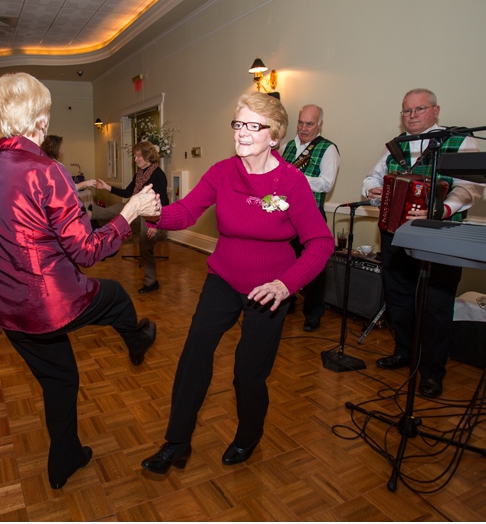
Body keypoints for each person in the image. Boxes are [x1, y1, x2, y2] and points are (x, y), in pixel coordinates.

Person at [0, 72, 159, 489]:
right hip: (53, 304)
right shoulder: (47, 170)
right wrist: (129, 215)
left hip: (8, 309)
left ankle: (65, 459)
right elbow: (87, 252)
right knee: (117, 295)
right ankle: (137, 340)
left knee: (60, 378)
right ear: (40, 121)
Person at [141, 91, 333, 474]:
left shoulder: (291, 183)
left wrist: (285, 285)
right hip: (223, 279)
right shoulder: (222, 173)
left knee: (248, 373)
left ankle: (248, 435)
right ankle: (176, 442)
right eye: (238, 124)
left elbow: (321, 243)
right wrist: (154, 212)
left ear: (275, 135)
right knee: (194, 355)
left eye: (253, 126)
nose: (242, 133)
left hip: (268, 291)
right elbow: (186, 211)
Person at [362, 88, 483, 398]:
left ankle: (432, 371)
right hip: (395, 234)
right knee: (399, 297)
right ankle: (405, 352)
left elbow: (471, 187)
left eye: (419, 109)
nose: (411, 116)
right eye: (406, 111)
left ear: (436, 110)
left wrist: (442, 208)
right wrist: (374, 192)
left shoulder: (460, 141)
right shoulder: (395, 146)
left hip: (440, 235)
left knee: (436, 305)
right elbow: (372, 179)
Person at [281, 104, 340, 332]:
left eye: (310, 124)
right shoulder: (286, 146)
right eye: (301, 122)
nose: (304, 128)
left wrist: (297, 178)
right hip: (285, 217)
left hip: (310, 216)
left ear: (320, 125)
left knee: (314, 267)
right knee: (284, 261)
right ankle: (288, 301)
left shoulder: (328, 149)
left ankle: (313, 312)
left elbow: (326, 183)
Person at [95, 141, 169, 293]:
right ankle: (84, 213)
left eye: (138, 156)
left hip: (151, 216)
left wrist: (156, 226)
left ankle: (151, 282)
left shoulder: (159, 175)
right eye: (135, 156)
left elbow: (163, 203)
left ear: (148, 156)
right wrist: (106, 187)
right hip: (136, 208)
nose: (135, 160)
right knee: (110, 211)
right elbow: (128, 192)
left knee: (145, 247)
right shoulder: (140, 174)